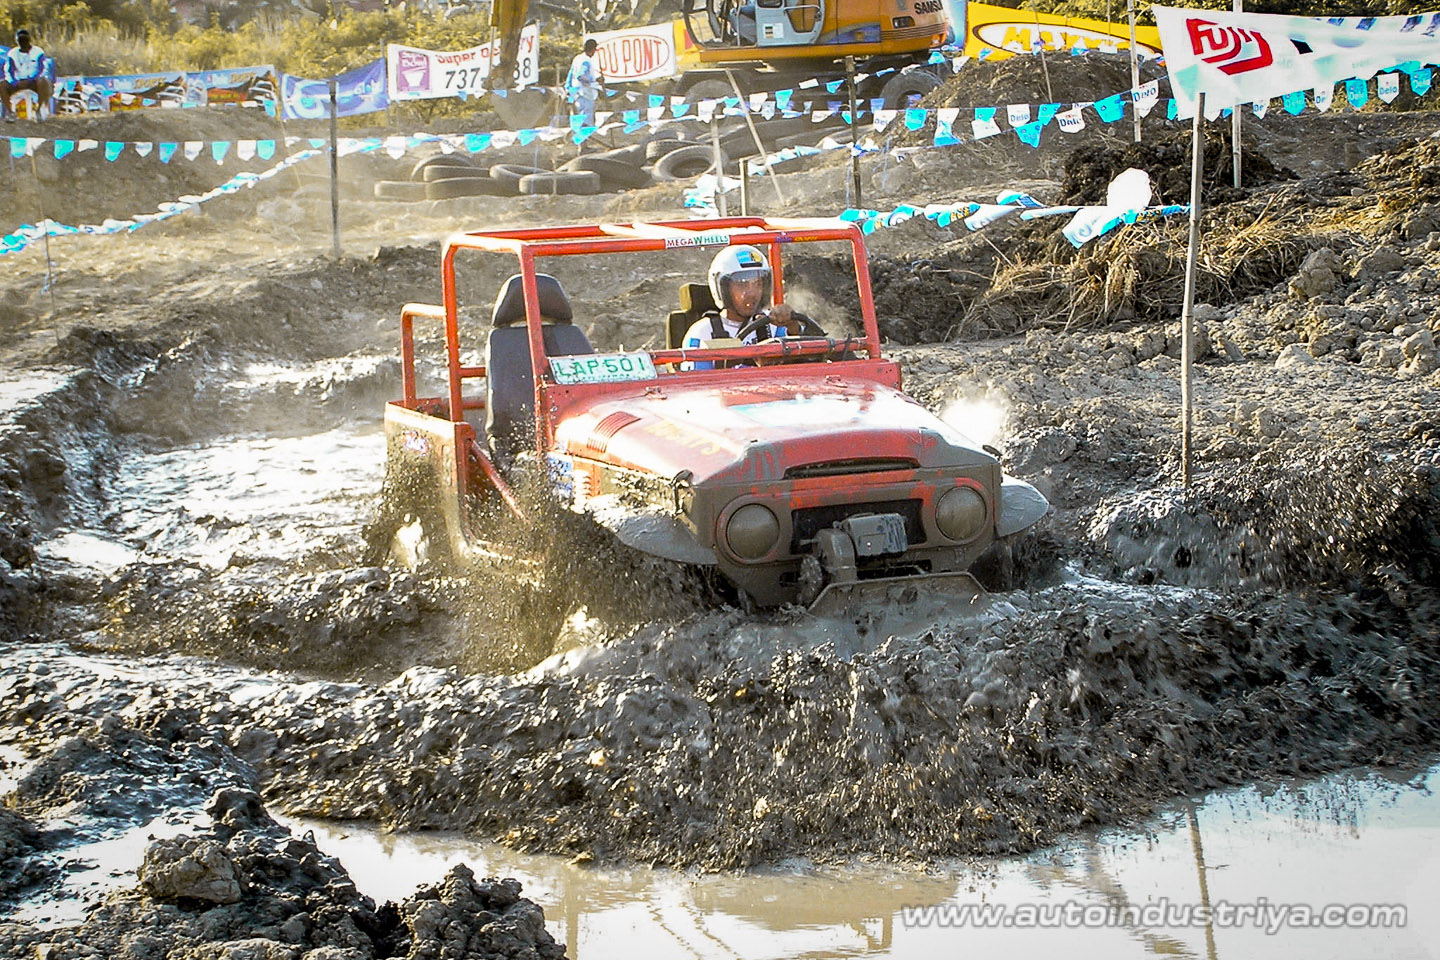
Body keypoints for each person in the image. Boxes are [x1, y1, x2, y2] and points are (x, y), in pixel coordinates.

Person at [681, 245, 812, 370]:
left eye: (757, 284)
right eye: (742, 284)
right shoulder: (703, 333)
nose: (752, 293)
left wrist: (792, 325)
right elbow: (698, 387)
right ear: (723, 289)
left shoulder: (773, 325)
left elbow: (805, 358)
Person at [0, 29, 53, 123]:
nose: (22, 42)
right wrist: (15, 82)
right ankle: (11, 113)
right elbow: (8, 71)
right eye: (20, 40)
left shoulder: (38, 52)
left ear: (29, 40)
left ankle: (39, 110)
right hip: (17, 83)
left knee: (44, 81)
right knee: (2, 84)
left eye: (24, 40)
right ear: (17, 41)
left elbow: (44, 69)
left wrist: (31, 80)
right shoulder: (12, 53)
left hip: (34, 82)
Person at [564, 38, 603, 129]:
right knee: (586, 121)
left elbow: (571, 73)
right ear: (593, 49)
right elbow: (580, 75)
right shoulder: (586, 61)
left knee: (579, 118)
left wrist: (568, 87)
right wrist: (594, 81)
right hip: (585, 94)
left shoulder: (577, 58)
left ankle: (582, 141)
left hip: (576, 93)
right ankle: (584, 141)